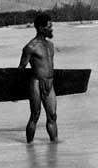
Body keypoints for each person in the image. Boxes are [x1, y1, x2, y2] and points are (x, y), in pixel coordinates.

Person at [18, 13, 58, 143]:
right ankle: (29, 146)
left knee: (52, 116)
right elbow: (21, 69)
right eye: (49, 26)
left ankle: (55, 146)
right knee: (35, 115)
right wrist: (15, 90)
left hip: (50, 84)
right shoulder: (30, 47)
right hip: (35, 83)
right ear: (41, 28)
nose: (52, 29)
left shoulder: (50, 45)